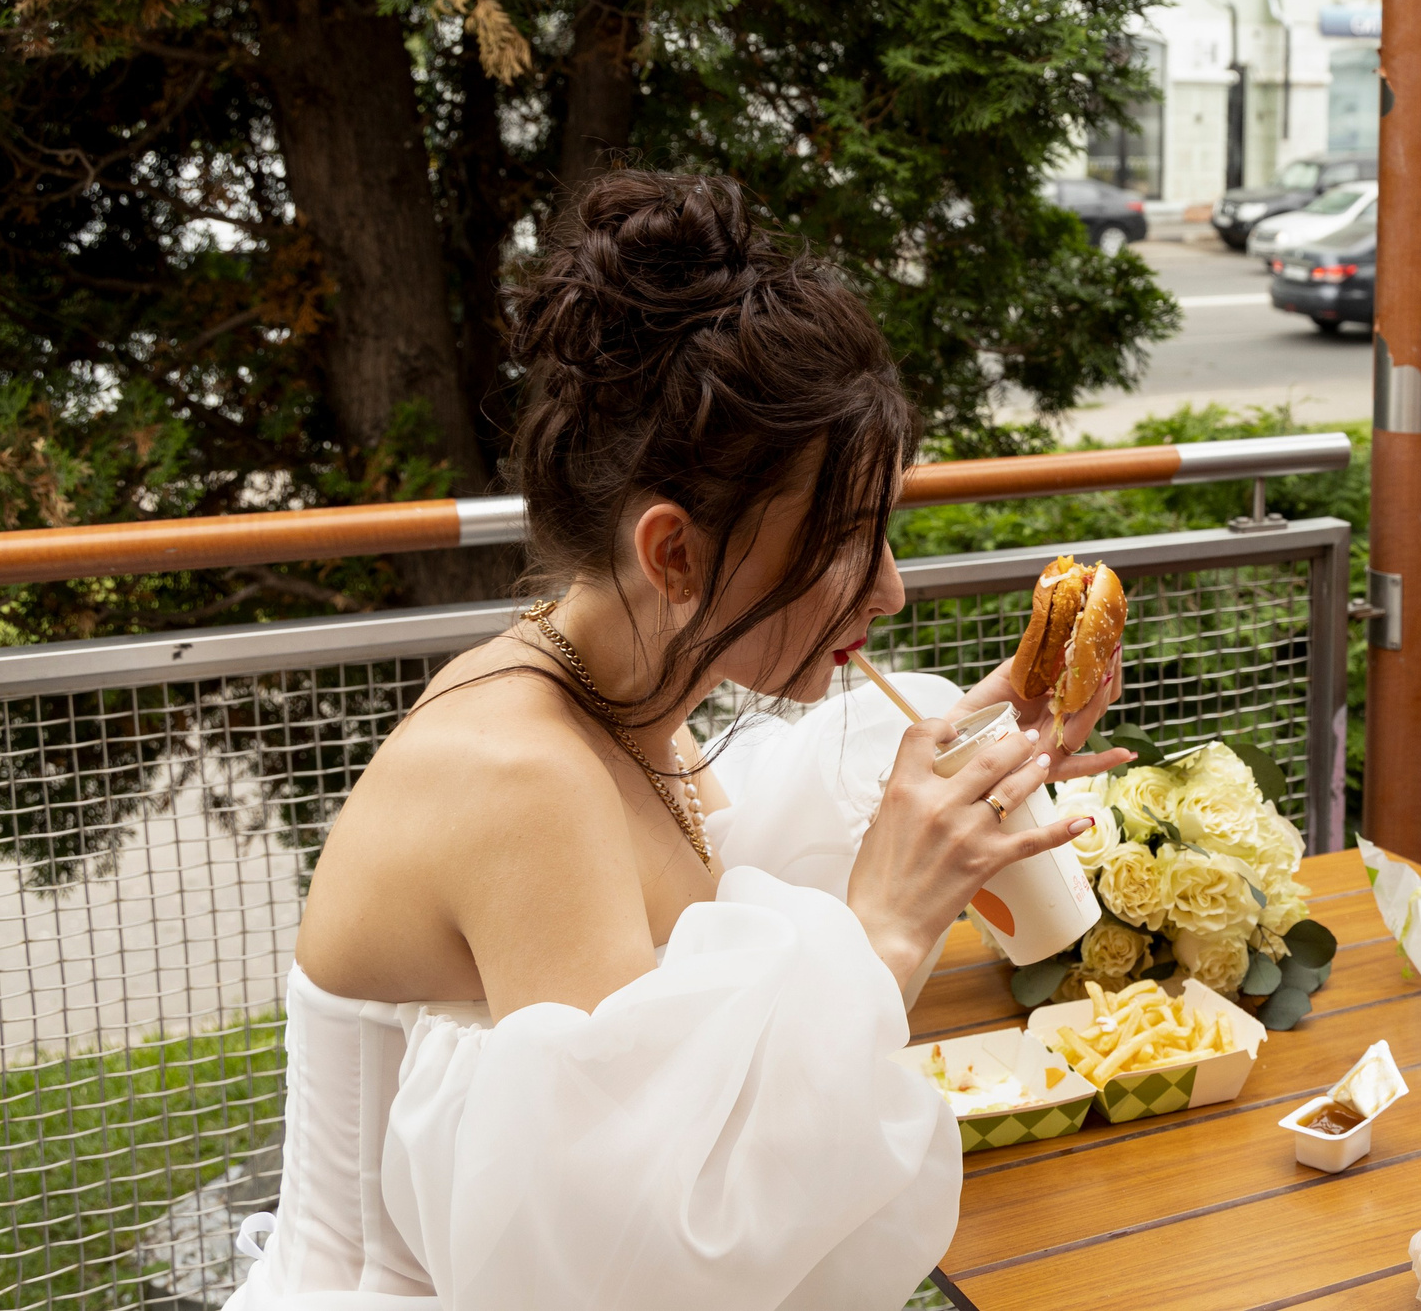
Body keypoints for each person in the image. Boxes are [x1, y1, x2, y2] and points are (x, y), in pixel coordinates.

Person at [226, 172, 1130, 1310]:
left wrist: (964, 762)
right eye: (846, 539)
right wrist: (888, 925)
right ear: (674, 554)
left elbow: (710, 966)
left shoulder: (622, 701)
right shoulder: (518, 776)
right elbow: (633, 1259)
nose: (891, 589)